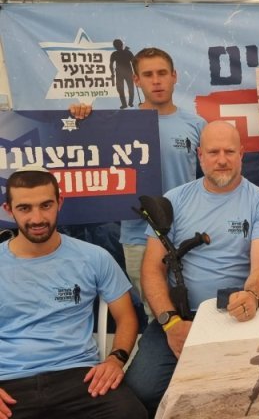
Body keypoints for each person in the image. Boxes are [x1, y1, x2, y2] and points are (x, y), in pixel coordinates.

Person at [125, 121, 259, 416]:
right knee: (141, 390)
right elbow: (152, 269)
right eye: (213, 152)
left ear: (241, 154)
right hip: (179, 316)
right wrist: (170, 323)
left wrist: (252, 296)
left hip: (236, 314)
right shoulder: (173, 200)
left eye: (229, 152)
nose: (221, 160)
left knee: (243, 391)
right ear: (200, 155)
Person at [71, 47, 206, 322]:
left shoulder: (196, 124)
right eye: (148, 74)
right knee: (157, 316)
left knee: (194, 308)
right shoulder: (117, 124)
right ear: (136, 80)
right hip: (137, 236)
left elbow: (212, 180)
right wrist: (81, 119)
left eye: (162, 73)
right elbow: (80, 154)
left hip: (184, 233)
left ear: (174, 76)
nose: (156, 81)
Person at [0, 167, 146, 419]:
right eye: (24, 208)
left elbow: (126, 317)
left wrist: (115, 360)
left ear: (60, 202)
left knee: (131, 414)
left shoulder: (94, 257)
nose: (37, 218)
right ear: (8, 210)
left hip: (79, 376)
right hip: (9, 381)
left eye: (46, 205)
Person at [110, 39, 136, 109]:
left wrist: (112, 73)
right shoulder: (128, 52)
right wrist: (136, 72)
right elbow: (134, 63)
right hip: (127, 72)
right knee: (130, 88)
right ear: (122, 45)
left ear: (114, 46)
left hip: (121, 73)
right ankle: (130, 103)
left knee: (122, 89)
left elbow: (111, 65)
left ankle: (125, 104)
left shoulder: (114, 54)